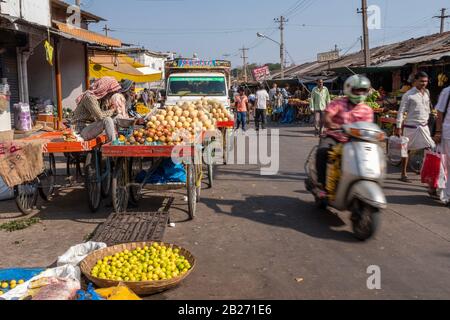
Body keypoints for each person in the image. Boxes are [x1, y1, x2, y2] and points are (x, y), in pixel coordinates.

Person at [315, 75, 374, 191]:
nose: (360, 93)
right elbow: (327, 117)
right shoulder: (338, 103)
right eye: (357, 90)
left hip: (357, 142)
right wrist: (331, 124)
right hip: (335, 137)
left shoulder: (367, 110)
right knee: (322, 152)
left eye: (363, 90)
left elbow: (369, 128)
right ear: (349, 89)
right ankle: (321, 185)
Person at [395, 72, 436, 183]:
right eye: (421, 81)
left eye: (426, 81)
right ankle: (403, 174)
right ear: (415, 81)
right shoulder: (408, 94)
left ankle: (424, 170)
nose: (424, 83)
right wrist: (398, 126)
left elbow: (427, 108)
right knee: (406, 151)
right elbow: (401, 111)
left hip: (424, 126)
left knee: (431, 147)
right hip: (410, 126)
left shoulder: (427, 92)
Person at [72, 77, 121, 142]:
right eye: (111, 92)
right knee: (107, 120)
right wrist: (112, 110)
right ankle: (113, 146)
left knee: (117, 117)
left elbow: (105, 114)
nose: (112, 94)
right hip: (81, 130)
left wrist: (113, 110)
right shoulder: (90, 97)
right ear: (104, 89)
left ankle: (121, 138)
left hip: (91, 127)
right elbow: (100, 116)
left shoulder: (101, 99)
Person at [432, 85, 450, 204]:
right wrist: (438, 132)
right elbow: (439, 112)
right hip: (448, 133)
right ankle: (446, 196)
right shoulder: (447, 91)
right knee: (446, 166)